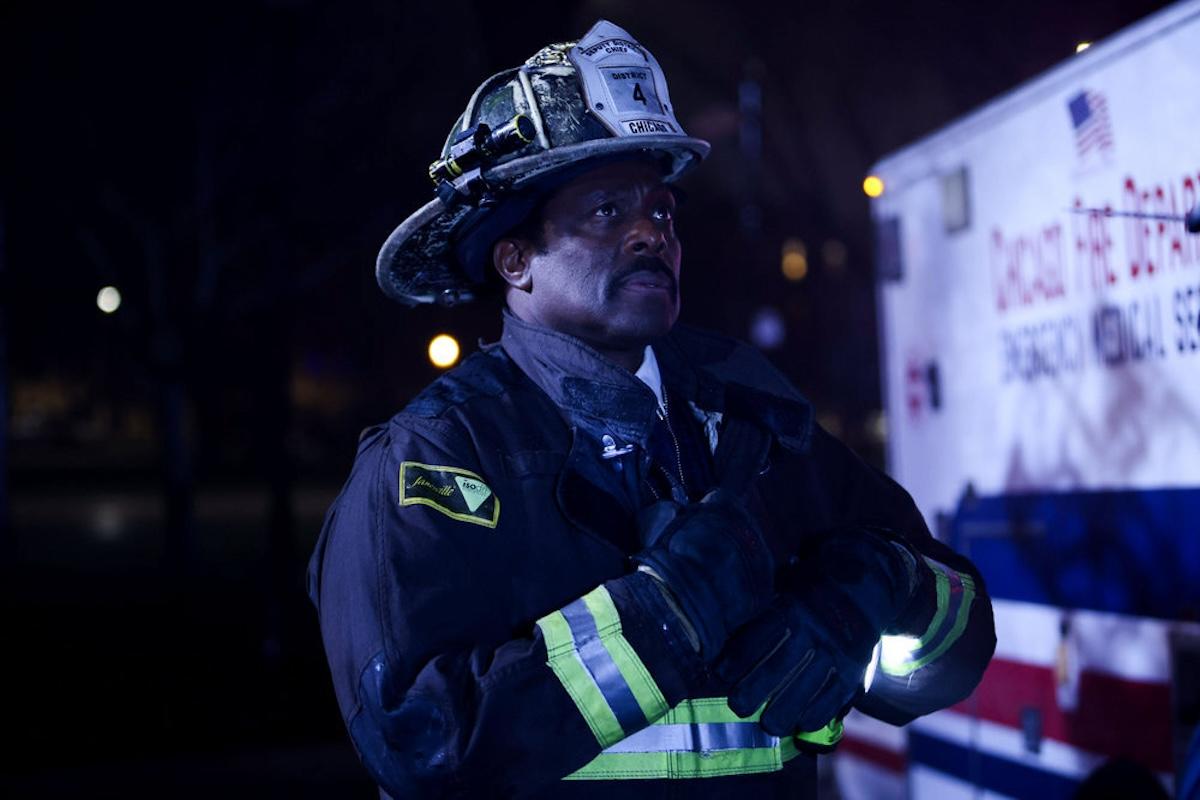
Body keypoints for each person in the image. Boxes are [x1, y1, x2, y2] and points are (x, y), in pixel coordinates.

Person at [308, 20, 995, 799]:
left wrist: (884, 586)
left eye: (662, 213)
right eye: (607, 212)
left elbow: (962, 642)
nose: (650, 234)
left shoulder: (758, 429)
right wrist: (666, 615)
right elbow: (419, 743)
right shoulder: (436, 461)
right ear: (515, 259)